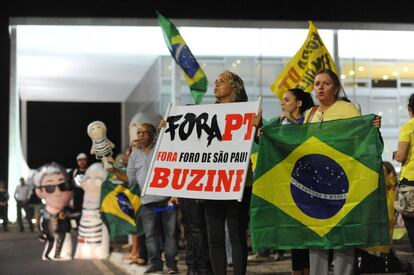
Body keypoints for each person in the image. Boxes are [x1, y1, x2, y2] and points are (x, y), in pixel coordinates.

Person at [304, 69, 381, 275]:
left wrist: (373, 127)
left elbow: (361, 141)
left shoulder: (348, 110)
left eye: (326, 83)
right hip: (314, 184)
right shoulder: (309, 114)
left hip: (341, 181)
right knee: (317, 236)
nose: (320, 87)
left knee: (343, 236)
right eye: (317, 83)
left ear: (336, 88)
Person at [253, 88, 314, 275]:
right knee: (295, 235)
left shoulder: (308, 122)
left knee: (308, 235)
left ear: (299, 103)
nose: (282, 102)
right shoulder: (279, 124)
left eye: (287, 99)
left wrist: (293, 121)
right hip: (287, 185)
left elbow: (308, 140)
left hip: (308, 186)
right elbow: (265, 143)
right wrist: (258, 127)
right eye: (282, 100)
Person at [203, 70, 253, 275]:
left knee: (237, 235)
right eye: (215, 81)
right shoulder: (204, 115)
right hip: (212, 184)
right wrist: (170, 128)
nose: (216, 84)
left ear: (234, 87)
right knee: (214, 239)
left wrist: (258, 127)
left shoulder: (248, 112)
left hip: (239, 183)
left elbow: (260, 139)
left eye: (221, 81)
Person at [127, 122, 179, 274]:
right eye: (139, 133)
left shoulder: (162, 147)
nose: (141, 135)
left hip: (167, 200)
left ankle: (171, 265)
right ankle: (156, 263)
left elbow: (173, 143)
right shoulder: (134, 154)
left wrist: (166, 127)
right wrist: (113, 169)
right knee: (150, 236)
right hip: (147, 203)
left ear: (153, 135)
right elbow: (130, 180)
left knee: (170, 234)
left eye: (144, 132)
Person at [394, 93, 414, 252]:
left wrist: (395, 154)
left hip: (411, 183)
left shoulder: (409, 127)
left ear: (409, 109)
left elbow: (401, 156)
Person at [69, 152, 89, 229]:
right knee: (77, 219)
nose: (82, 162)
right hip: (77, 200)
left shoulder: (90, 171)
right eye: (80, 160)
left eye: (83, 160)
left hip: (88, 199)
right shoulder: (74, 172)